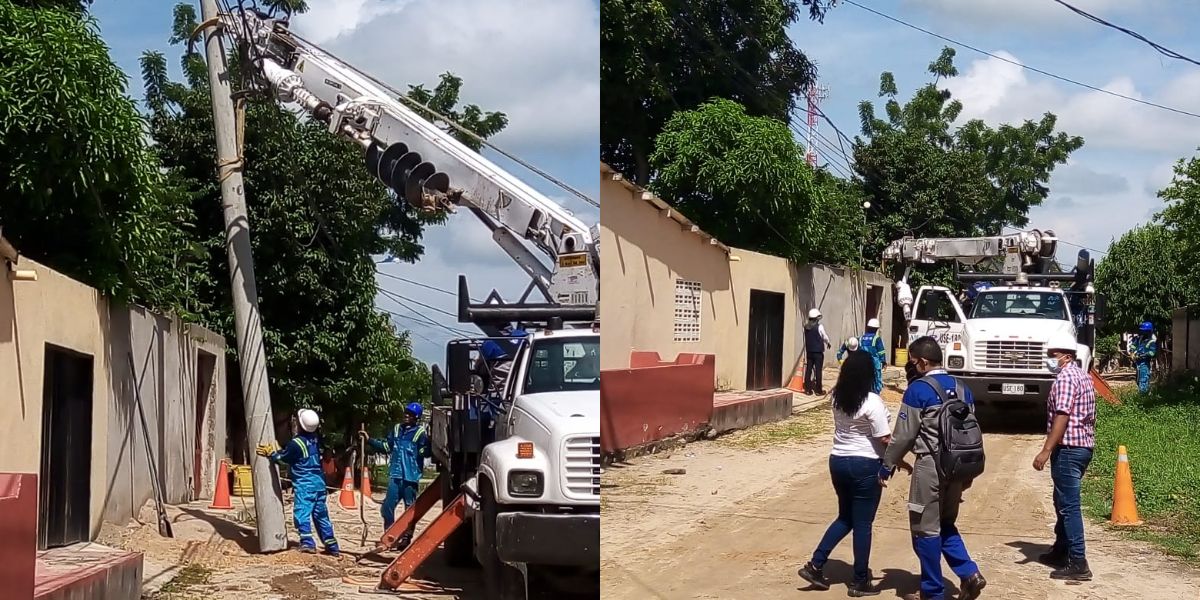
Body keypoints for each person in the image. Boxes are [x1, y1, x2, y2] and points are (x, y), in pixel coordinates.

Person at [881, 337, 987, 600]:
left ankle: (932, 592)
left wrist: (886, 465)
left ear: (924, 362)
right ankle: (970, 573)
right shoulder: (964, 388)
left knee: (924, 529)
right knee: (946, 522)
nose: (912, 367)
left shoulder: (918, 390)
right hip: (958, 467)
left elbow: (903, 436)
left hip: (929, 466)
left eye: (914, 362)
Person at [797, 351, 907, 597]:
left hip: (838, 461)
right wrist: (901, 460)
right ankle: (859, 580)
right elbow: (885, 438)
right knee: (862, 524)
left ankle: (815, 565)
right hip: (865, 464)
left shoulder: (837, 397)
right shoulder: (872, 401)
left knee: (845, 517)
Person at [1032, 332, 1096, 581]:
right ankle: (1061, 549)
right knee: (1061, 501)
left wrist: (1046, 449)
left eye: (1053, 355)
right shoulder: (1082, 376)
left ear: (1066, 356)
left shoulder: (1067, 378)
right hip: (1082, 447)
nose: (1049, 359)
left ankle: (1078, 561)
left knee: (1068, 505)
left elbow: (1062, 415)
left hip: (1069, 449)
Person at [257, 409, 340, 556]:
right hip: (319, 484)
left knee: (302, 513)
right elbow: (296, 455)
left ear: (300, 425)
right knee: (321, 516)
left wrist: (272, 454)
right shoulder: (314, 438)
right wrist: (281, 451)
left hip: (305, 484)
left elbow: (283, 460)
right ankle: (332, 545)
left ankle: (307, 542)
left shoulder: (296, 443)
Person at [361, 402, 432, 550]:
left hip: (410, 477)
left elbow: (425, 452)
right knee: (387, 507)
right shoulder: (396, 429)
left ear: (416, 417)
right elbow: (387, 447)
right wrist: (369, 440)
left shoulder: (420, 433)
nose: (406, 416)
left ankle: (406, 538)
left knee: (409, 510)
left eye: (410, 414)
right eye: (406, 413)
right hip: (396, 475)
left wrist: (426, 447)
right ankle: (390, 535)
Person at [804, 308, 832, 395]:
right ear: (816, 318)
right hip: (818, 352)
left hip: (809, 351)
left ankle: (807, 389)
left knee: (808, 369)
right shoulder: (819, 327)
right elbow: (824, 337)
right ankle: (818, 390)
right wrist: (828, 343)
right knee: (818, 371)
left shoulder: (806, 327)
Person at [1129, 321, 1157, 394]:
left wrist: (1141, 355)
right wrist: (1132, 352)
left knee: (1143, 379)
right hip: (1137, 363)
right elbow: (1133, 345)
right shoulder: (1139, 339)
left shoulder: (1151, 341)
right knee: (1138, 380)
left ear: (1148, 332)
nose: (1141, 332)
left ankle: (1143, 397)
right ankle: (1142, 394)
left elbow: (1152, 353)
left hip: (1144, 363)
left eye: (1143, 331)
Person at [860, 318, 886, 394]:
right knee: (876, 380)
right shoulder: (876, 338)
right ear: (876, 329)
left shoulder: (862, 338)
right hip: (874, 363)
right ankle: (875, 394)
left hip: (863, 362)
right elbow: (881, 351)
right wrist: (883, 361)